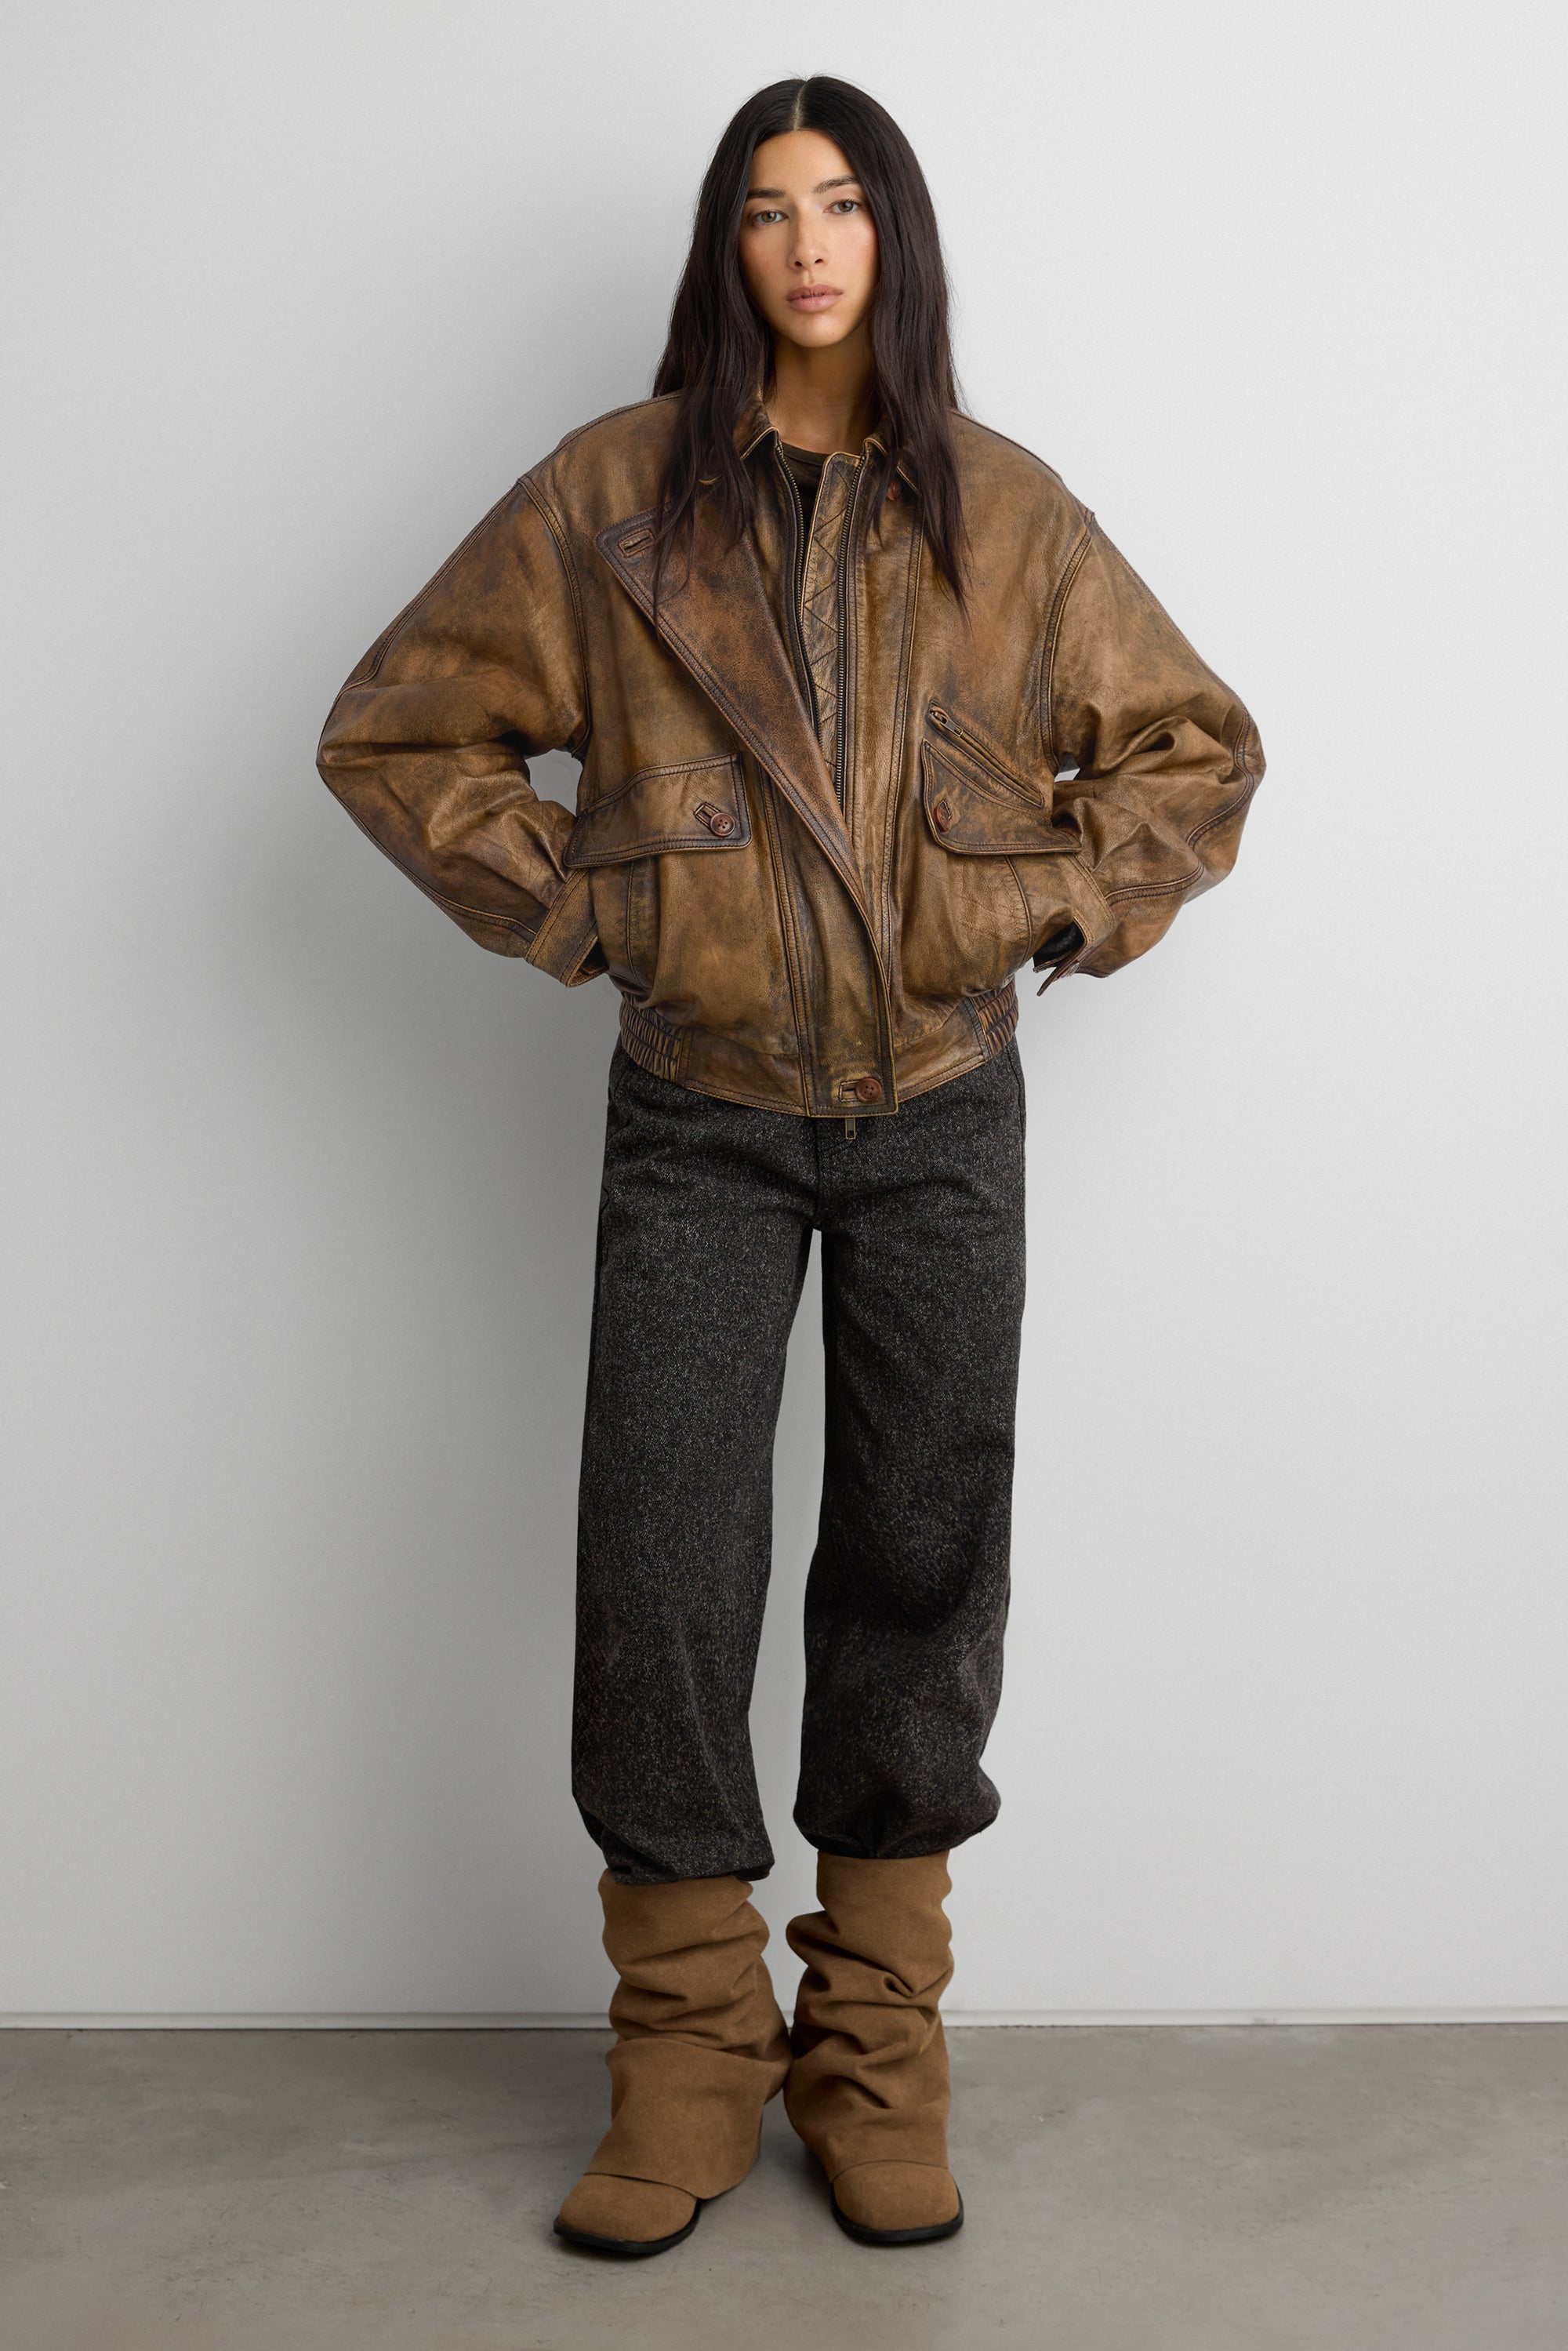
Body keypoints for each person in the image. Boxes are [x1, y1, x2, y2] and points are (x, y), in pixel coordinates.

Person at [317, 74, 1263, 2258]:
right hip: (701, 1108)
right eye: (767, 209)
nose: (809, 244)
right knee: (661, 1566)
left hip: (942, 1112)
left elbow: (1196, 748)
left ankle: (875, 2050)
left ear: (893, 238)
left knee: (923, 1557)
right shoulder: (608, 498)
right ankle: (682, 2050)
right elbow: (399, 728)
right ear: (724, 247)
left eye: (843, 205)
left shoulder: (1003, 512)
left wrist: (1050, 901)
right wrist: (585, 907)